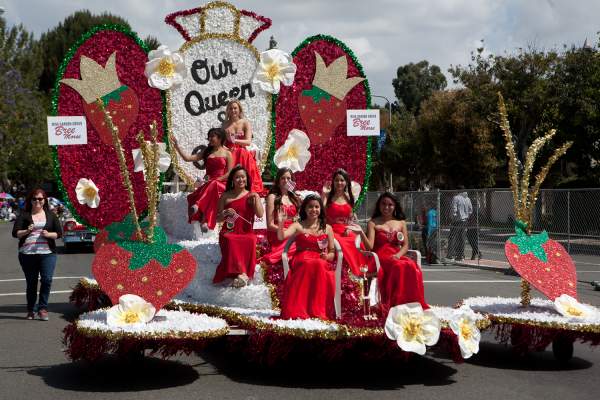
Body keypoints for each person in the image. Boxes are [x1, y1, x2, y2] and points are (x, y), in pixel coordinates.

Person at [353, 192, 428, 315]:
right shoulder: (373, 223)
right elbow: (370, 247)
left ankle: (409, 303)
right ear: (379, 205)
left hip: (396, 255)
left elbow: (405, 245)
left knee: (411, 266)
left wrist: (398, 255)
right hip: (380, 257)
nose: (386, 207)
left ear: (395, 206)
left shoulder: (401, 223)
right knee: (399, 266)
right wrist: (361, 233)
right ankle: (395, 304)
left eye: (390, 204)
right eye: (383, 204)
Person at [277, 194, 336, 320]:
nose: (313, 210)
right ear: (304, 209)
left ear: (320, 209)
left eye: (316, 207)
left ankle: (317, 311)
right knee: (310, 264)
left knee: (319, 265)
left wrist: (327, 256)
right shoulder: (298, 225)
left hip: (320, 260)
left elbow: (332, 252)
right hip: (302, 258)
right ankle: (301, 310)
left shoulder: (327, 228)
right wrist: (281, 222)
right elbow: (281, 237)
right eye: (310, 207)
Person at [11, 188, 62, 320]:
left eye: (40, 199)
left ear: (44, 200)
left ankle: (43, 308)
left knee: (47, 279)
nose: (37, 201)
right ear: (30, 200)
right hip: (27, 254)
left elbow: (59, 233)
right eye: (34, 199)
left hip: (48, 253)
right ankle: (31, 309)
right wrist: (26, 231)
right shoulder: (24, 214)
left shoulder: (51, 215)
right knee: (32, 282)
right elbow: (15, 233)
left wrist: (49, 234)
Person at [172, 128, 233, 232]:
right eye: (209, 136)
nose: (210, 139)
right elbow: (188, 158)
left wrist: (218, 179)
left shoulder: (228, 153)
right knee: (212, 187)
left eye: (212, 136)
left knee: (213, 184)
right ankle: (205, 221)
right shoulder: (207, 151)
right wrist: (177, 146)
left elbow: (230, 173)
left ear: (220, 138)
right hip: (209, 184)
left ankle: (198, 205)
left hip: (222, 183)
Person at [214, 165, 264, 287]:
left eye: (243, 177)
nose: (240, 180)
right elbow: (217, 219)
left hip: (246, 231)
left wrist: (257, 198)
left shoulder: (252, 195)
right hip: (229, 230)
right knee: (230, 240)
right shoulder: (225, 196)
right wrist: (225, 213)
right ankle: (242, 273)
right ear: (232, 180)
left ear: (247, 179)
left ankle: (240, 276)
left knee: (251, 240)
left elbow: (260, 214)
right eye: (237, 177)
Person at [322, 169, 368, 276]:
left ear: (346, 182)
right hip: (332, 231)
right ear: (333, 182)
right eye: (337, 180)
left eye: (342, 180)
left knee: (356, 241)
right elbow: (322, 214)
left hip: (346, 229)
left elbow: (351, 217)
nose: (339, 183)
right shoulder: (328, 196)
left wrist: (349, 228)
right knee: (341, 243)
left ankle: (358, 272)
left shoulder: (349, 197)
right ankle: (345, 273)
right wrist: (324, 194)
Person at [222, 100, 264, 194]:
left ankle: (246, 186)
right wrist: (228, 149)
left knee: (241, 152)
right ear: (228, 110)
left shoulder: (245, 123)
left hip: (242, 151)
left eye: (235, 108)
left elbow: (248, 142)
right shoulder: (224, 125)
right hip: (229, 151)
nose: (233, 110)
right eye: (231, 108)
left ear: (239, 109)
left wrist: (234, 141)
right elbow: (222, 144)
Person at [260, 167, 301, 266]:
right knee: (299, 245)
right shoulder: (272, 197)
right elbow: (270, 225)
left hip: (293, 232)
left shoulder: (294, 198)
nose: (286, 181)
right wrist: (287, 231)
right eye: (283, 178)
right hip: (279, 233)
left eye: (289, 178)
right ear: (278, 180)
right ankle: (274, 257)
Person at [446, 186, 472, 262]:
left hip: (457, 221)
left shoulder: (456, 198)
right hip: (465, 220)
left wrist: (452, 218)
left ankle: (450, 255)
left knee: (452, 237)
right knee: (462, 238)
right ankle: (461, 255)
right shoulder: (467, 198)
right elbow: (471, 210)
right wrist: (467, 216)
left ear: (458, 190)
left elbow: (454, 209)